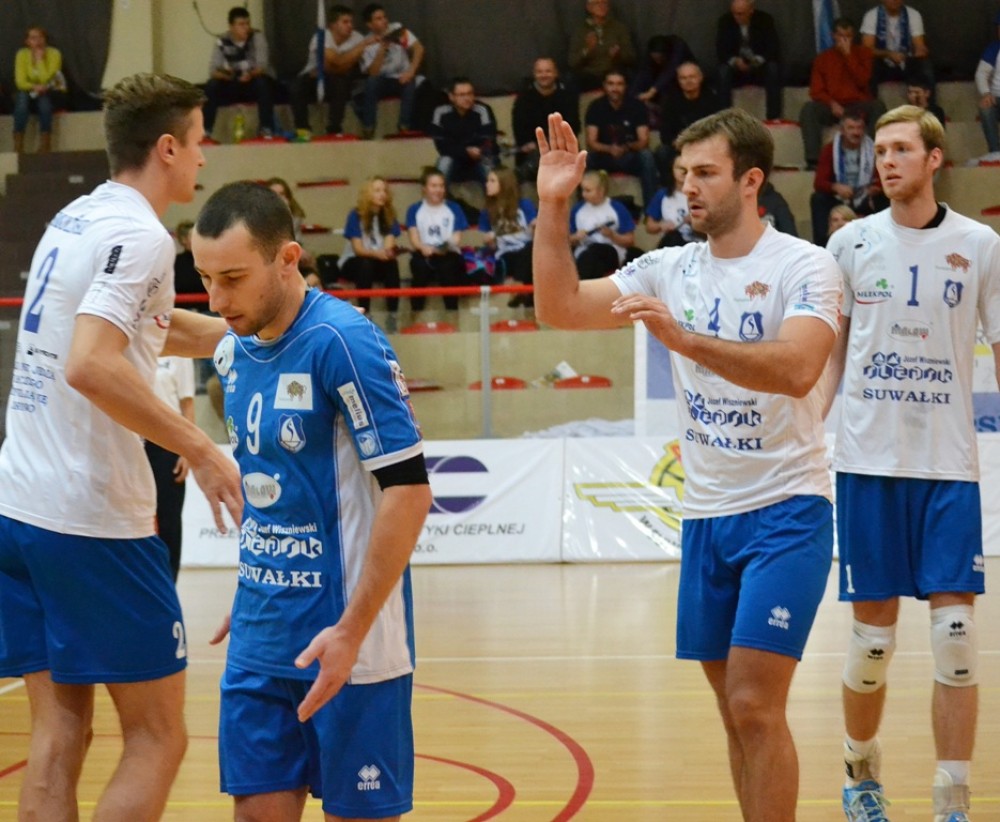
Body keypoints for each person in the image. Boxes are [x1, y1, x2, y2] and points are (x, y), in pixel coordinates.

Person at [532, 107, 842, 821]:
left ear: (751, 180)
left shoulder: (805, 265)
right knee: (735, 712)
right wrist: (552, 206)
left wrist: (687, 340)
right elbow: (560, 307)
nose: (688, 188)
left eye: (705, 173)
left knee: (755, 703)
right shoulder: (668, 268)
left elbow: (798, 369)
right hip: (706, 518)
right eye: (681, 175)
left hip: (788, 510)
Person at [0, 72, 242, 822]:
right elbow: (92, 363)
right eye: (198, 141)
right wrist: (203, 448)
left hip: (19, 505)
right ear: (167, 147)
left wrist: (252, 331)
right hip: (90, 518)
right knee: (158, 738)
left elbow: (143, 327)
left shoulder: (76, 217)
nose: (203, 156)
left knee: (58, 734)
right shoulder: (142, 237)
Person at [192, 180, 430, 822]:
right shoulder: (233, 349)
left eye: (232, 278)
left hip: (351, 646)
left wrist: (351, 631)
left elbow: (410, 492)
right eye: (205, 279)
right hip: (259, 638)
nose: (217, 300)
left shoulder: (344, 343)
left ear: (288, 259)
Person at [824, 104, 1000, 822]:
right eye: (880, 150)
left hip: (948, 467)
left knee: (956, 641)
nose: (887, 161)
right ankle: (860, 777)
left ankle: (952, 799)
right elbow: (828, 358)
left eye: (901, 149)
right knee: (872, 644)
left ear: (934, 159)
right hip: (868, 465)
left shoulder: (981, 245)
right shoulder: (849, 243)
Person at [799, 18, 886, 170]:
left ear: (853, 36)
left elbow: (863, 81)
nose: (844, 40)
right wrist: (831, 103)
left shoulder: (864, 54)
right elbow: (816, 91)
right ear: (833, 36)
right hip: (833, 106)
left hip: (858, 105)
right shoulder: (823, 59)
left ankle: (872, 156)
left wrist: (848, 56)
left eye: (848, 36)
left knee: (878, 106)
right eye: (840, 36)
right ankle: (813, 160)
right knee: (809, 109)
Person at [291, 3, 376, 140]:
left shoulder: (357, 38)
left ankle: (334, 129)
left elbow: (342, 67)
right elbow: (335, 62)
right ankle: (303, 129)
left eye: (351, 22)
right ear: (333, 25)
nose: (350, 25)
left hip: (339, 79)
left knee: (340, 84)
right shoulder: (321, 36)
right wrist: (358, 49)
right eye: (345, 22)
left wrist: (340, 64)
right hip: (313, 77)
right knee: (296, 87)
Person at [146, 356, 196, 581]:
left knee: (169, 521)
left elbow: (187, 403)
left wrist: (187, 450)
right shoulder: (133, 344)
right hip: (136, 441)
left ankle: (169, 584)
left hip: (169, 444)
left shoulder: (181, 355)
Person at [810, 106, 887, 247]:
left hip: (865, 197)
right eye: (851, 128)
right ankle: (823, 247)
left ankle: (886, 243)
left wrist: (874, 189)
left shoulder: (874, 150)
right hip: (840, 198)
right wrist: (835, 187)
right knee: (818, 199)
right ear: (842, 130)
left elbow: (884, 178)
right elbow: (819, 182)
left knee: (886, 197)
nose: (856, 132)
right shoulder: (830, 150)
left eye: (859, 128)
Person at [584, 69, 659, 207]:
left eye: (619, 84)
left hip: (629, 156)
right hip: (604, 157)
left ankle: (652, 210)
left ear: (625, 86)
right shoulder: (595, 107)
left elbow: (643, 141)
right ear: (604, 86)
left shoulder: (637, 106)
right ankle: (584, 208)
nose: (615, 88)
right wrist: (609, 149)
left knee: (646, 156)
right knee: (586, 158)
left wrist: (625, 148)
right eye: (611, 84)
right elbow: (591, 142)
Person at [203, 6, 277, 141]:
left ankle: (266, 128)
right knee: (211, 86)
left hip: (254, 80)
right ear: (231, 27)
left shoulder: (257, 37)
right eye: (241, 24)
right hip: (233, 80)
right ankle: (206, 131)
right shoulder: (222, 41)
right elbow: (213, 70)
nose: (246, 28)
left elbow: (262, 65)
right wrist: (227, 76)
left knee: (263, 83)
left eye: (247, 23)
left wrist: (250, 75)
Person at [339, 175, 404, 328]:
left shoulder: (389, 216)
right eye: (377, 191)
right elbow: (358, 249)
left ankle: (392, 315)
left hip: (377, 261)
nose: (382, 194)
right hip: (354, 261)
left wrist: (389, 252)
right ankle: (365, 313)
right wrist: (378, 253)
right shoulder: (355, 215)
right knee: (365, 263)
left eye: (384, 191)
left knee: (392, 264)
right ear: (368, 194)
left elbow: (388, 246)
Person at [356, 3, 425, 139]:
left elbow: (419, 49)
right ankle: (368, 129)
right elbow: (373, 73)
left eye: (385, 17)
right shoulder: (367, 43)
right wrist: (382, 48)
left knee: (410, 82)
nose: (384, 21)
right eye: (379, 19)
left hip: (402, 77)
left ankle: (404, 128)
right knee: (371, 82)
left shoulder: (397, 29)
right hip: (382, 81)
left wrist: (411, 71)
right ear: (370, 25)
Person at [406, 167, 468, 314]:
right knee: (419, 267)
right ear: (424, 188)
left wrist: (441, 248)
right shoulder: (414, 209)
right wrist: (423, 247)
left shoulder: (454, 208)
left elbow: (456, 238)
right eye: (434, 186)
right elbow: (414, 238)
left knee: (448, 268)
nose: (438, 190)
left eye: (441, 186)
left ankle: (452, 314)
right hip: (424, 251)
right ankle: (415, 314)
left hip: (447, 252)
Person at [654, 61, 724, 189]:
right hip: (679, 147)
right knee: (662, 152)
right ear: (678, 81)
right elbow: (666, 135)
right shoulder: (670, 102)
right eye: (683, 78)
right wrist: (683, 144)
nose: (688, 81)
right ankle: (669, 192)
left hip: (706, 147)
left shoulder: (713, 100)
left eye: (692, 77)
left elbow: (719, 130)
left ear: (700, 78)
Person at [512, 57, 581, 184]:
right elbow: (520, 130)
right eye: (540, 72)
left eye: (548, 71)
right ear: (534, 74)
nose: (544, 75)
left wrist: (554, 143)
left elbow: (574, 126)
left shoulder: (567, 95)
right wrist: (533, 144)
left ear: (556, 73)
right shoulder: (524, 98)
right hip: (533, 149)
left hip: (562, 147)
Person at [715, 0, 783, 120]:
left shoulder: (765, 20)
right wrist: (735, 61)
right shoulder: (725, 21)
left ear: (751, 10)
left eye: (741, 14)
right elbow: (721, 51)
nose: (737, 17)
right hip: (736, 70)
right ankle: (725, 117)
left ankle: (773, 117)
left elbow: (773, 48)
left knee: (773, 68)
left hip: (759, 67)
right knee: (723, 71)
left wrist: (756, 61)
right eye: (734, 13)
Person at [479, 167, 537, 306]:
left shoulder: (524, 205)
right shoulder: (486, 212)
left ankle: (517, 288)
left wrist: (535, 227)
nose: (487, 184)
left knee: (531, 250)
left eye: (492, 181)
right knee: (523, 261)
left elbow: (535, 234)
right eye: (487, 181)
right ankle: (521, 293)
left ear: (504, 183)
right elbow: (491, 244)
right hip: (505, 254)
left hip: (527, 250)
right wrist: (490, 241)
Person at [430, 77, 499, 190]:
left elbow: (489, 139)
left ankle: (496, 200)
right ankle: (439, 199)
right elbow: (442, 146)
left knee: (488, 163)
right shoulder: (440, 112)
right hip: (455, 159)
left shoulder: (483, 110)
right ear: (451, 97)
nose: (467, 98)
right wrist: (465, 151)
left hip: (480, 156)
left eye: (470, 94)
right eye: (462, 95)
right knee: (444, 162)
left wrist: (478, 150)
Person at [570, 169, 637, 279]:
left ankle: (582, 284)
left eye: (588, 191)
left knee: (596, 252)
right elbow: (567, 240)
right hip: (584, 252)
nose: (583, 194)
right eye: (582, 190)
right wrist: (576, 237)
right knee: (593, 262)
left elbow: (630, 240)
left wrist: (612, 235)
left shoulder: (617, 207)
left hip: (611, 250)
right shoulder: (577, 209)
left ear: (600, 191)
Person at [12, 26, 66, 154]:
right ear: (27, 41)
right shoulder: (22, 54)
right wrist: (34, 86)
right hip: (28, 90)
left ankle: (45, 145)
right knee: (21, 104)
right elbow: (20, 82)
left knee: (45, 105)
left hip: (49, 90)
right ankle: (18, 145)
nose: (38, 41)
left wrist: (40, 60)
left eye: (40, 37)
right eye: (33, 38)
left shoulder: (54, 54)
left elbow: (49, 78)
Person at [860, 0, 933, 94]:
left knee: (924, 65)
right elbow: (867, 50)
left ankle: (927, 101)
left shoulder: (913, 15)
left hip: (905, 60)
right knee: (868, 63)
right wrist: (888, 54)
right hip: (882, 63)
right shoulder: (871, 16)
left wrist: (920, 50)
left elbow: (919, 45)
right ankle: (870, 101)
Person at [630, 34, 696, 131]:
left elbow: (671, 71)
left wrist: (651, 92)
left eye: (660, 58)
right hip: (659, 80)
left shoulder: (678, 48)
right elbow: (643, 73)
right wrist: (634, 96)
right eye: (655, 59)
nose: (658, 61)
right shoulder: (650, 57)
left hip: (679, 80)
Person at [568, 0, 636, 92]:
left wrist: (618, 55)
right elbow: (572, 63)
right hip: (590, 76)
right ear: (589, 7)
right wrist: (587, 50)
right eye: (597, 3)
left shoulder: (619, 28)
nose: (601, 6)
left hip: (613, 74)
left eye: (604, 3)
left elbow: (631, 58)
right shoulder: (580, 31)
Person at [644, 153, 699, 248]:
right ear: (672, 170)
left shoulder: (702, 193)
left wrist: (696, 222)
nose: (683, 171)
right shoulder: (662, 194)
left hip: (697, 244)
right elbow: (649, 226)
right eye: (679, 168)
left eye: (687, 168)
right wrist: (661, 225)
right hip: (672, 244)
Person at [975, 15, 1000, 155]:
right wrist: (986, 93)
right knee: (985, 108)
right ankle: (995, 153)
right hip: (997, 98)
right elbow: (981, 73)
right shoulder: (994, 48)